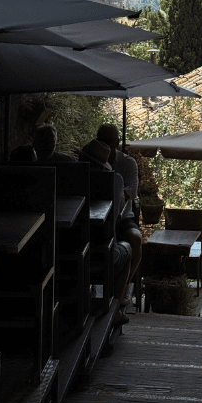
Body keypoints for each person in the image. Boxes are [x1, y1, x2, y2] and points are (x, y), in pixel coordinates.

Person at [78, 138, 132, 326]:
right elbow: (116, 216)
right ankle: (115, 310)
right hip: (103, 251)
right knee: (128, 248)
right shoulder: (115, 180)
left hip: (74, 249)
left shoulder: (71, 177)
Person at [96, 123, 142, 293]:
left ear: (117, 142)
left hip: (123, 217)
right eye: (103, 141)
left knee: (136, 239)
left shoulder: (128, 163)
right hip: (100, 216)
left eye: (110, 141)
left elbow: (132, 191)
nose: (107, 144)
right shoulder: (92, 162)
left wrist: (113, 192)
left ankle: (123, 287)